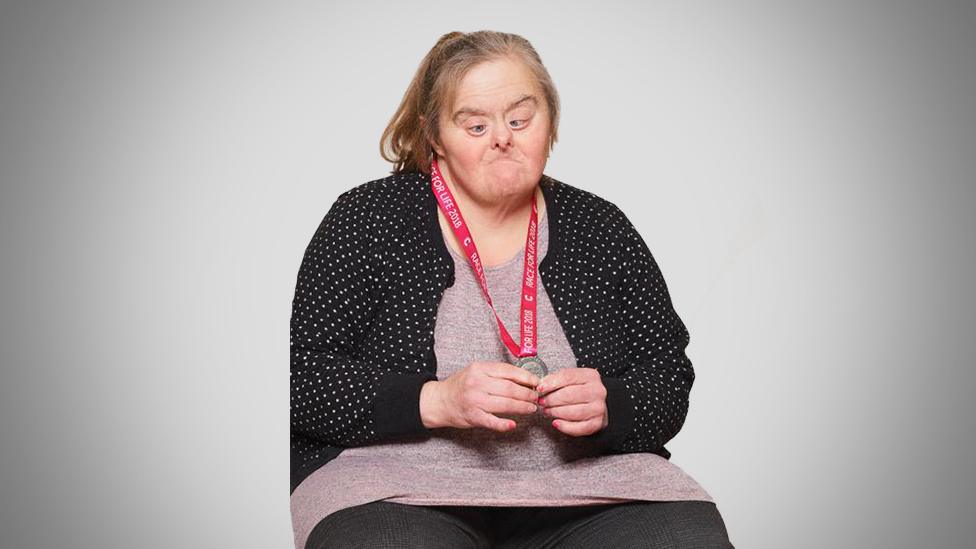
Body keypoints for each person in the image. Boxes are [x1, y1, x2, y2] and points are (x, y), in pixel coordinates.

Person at [290, 30, 734, 549]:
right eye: (475, 124)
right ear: (434, 135)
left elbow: (668, 374)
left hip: (595, 489)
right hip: (392, 487)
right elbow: (302, 377)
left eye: (521, 119)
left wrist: (614, 404)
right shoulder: (366, 219)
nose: (503, 137)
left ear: (551, 123)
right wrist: (436, 400)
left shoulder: (601, 227)